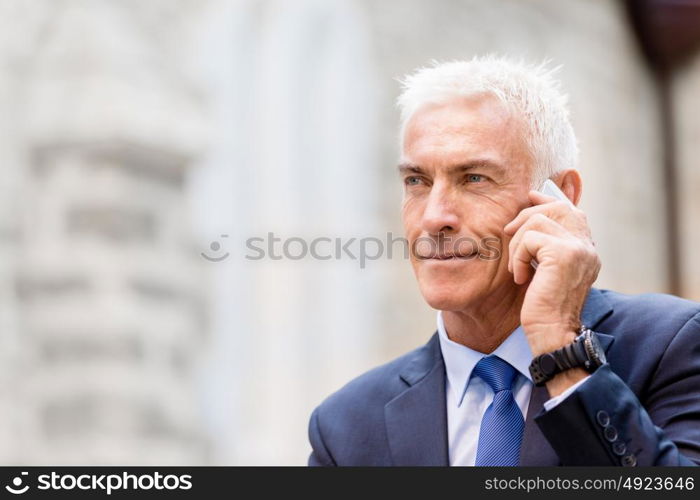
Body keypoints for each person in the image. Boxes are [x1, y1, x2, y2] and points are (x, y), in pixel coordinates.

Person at [307, 56, 700, 466]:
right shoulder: (345, 427)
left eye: (474, 178)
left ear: (560, 195)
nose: (434, 217)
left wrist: (559, 347)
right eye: (417, 181)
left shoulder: (673, 348)